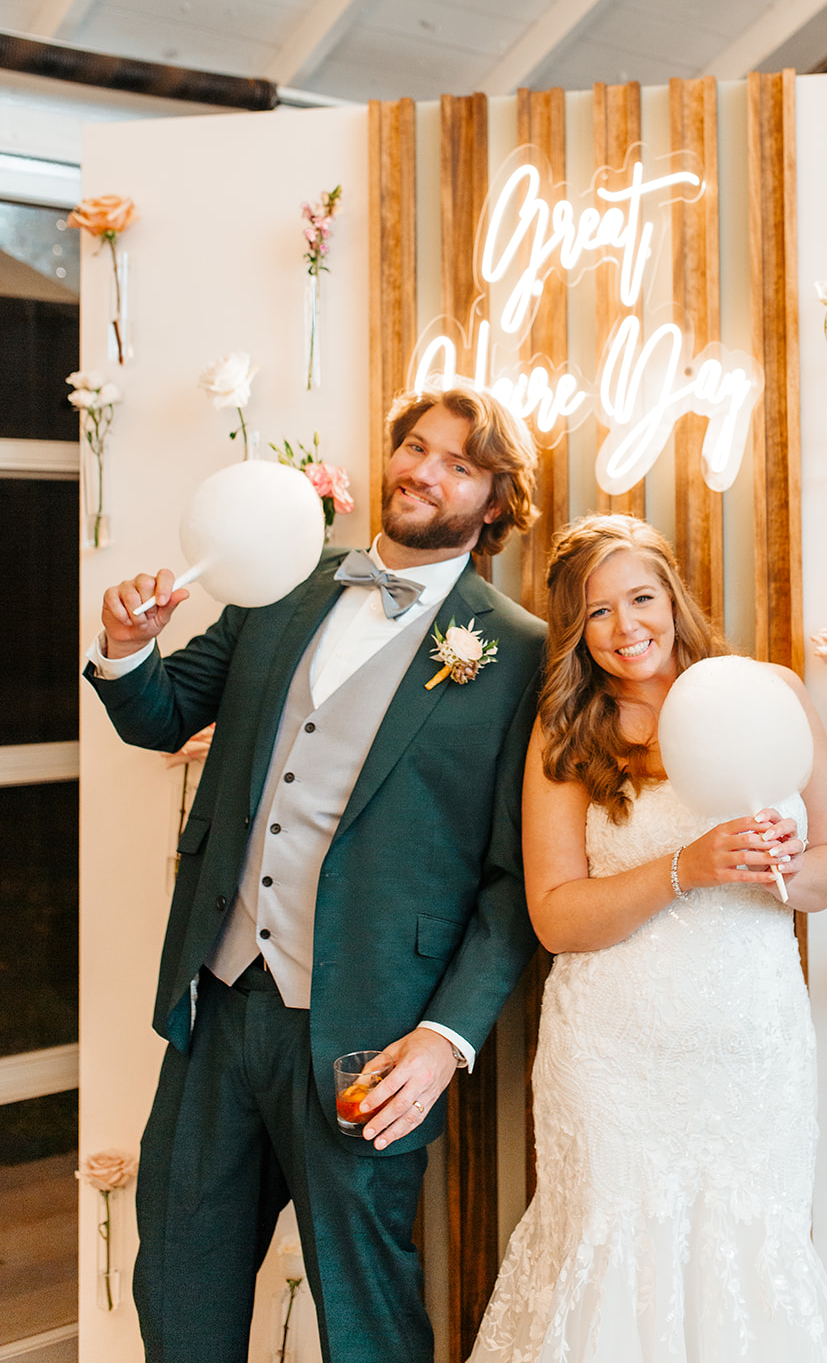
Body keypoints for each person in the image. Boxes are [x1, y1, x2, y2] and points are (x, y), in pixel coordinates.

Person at [86, 384, 546, 1363]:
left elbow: (514, 880)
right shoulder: (289, 583)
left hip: (369, 1039)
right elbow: (165, 713)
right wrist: (128, 651)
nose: (424, 470)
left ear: (494, 501)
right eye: (416, 447)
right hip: (217, 1006)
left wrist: (443, 1038)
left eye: (457, 464)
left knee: (364, 1309)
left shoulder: (515, 650)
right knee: (177, 1286)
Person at [470, 514, 827, 1363]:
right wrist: (684, 866)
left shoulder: (771, 694)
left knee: (747, 1255)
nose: (624, 628)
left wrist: (781, 870)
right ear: (573, 629)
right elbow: (556, 918)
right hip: (615, 1057)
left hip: (751, 1049)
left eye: (639, 598)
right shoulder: (566, 733)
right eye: (595, 613)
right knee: (614, 1260)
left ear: (673, 597)